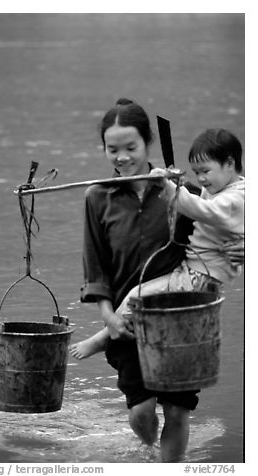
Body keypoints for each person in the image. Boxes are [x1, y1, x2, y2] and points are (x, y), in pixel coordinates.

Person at [71, 98, 244, 462]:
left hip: (182, 318)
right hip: (126, 321)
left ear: (148, 143)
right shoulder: (97, 197)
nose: (121, 157)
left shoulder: (184, 193)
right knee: (142, 413)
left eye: (130, 148)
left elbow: (223, 239)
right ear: (103, 149)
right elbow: (95, 266)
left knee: (178, 411)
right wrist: (108, 317)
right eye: (112, 149)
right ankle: (149, 449)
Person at [70, 127, 244, 361]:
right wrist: (178, 183)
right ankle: (108, 335)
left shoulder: (234, 198)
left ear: (230, 163)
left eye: (205, 171)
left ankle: (105, 337)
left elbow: (203, 209)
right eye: (196, 172)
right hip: (196, 271)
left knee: (135, 296)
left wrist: (168, 186)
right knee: (145, 302)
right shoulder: (226, 188)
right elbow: (200, 197)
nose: (201, 179)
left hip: (199, 276)